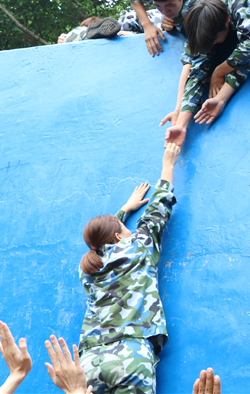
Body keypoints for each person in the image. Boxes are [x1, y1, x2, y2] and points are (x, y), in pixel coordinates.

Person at [77, 143, 180, 394]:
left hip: (89, 363)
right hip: (130, 356)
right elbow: (158, 210)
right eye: (126, 230)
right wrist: (168, 164)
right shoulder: (139, 247)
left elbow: (99, 241)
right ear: (118, 237)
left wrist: (122, 213)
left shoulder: (87, 269)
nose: (132, 232)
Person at [161, 0, 250, 147]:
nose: (214, 44)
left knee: (247, 54)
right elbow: (195, 73)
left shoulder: (237, 1)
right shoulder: (200, 24)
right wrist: (181, 124)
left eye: (215, 39)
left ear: (227, 21)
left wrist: (219, 71)